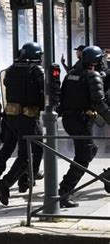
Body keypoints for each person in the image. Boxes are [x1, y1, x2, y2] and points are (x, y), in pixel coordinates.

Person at [57, 45, 110, 208]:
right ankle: (64, 192)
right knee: (84, 156)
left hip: (69, 119)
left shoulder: (72, 74)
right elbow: (99, 102)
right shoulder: (92, 75)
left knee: (90, 150)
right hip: (81, 120)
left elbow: (61, 95)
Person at [0, 42, 45, 206]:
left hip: (12, 116)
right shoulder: (36, 70)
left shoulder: (10, 69)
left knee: (36, 148)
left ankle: (26, 179)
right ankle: (6, 183)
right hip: (28, 116)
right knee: (26, 155)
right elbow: (44, 91)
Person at [0, 112, 44, 194]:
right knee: (32, 150)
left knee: (7, 148)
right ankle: (27, 176)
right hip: (27, 116)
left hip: (11, 115)